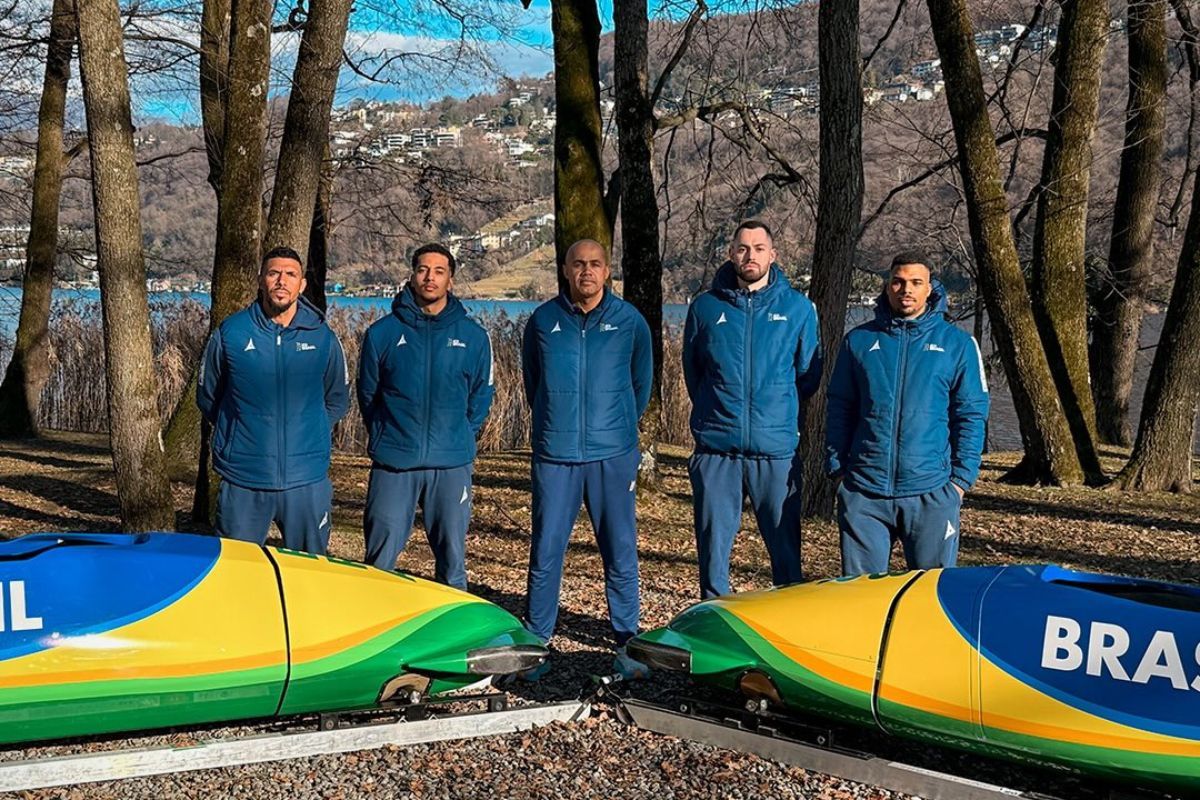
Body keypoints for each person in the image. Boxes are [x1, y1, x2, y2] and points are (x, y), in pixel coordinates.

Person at [520, 239, 653, 680]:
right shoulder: (543, 321)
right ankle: (537, 641)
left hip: (611, 455)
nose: (587, 272)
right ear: (565, 269)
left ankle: (627, 640)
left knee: (619, 549)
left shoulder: (629, 322)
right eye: (579, 264)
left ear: (608, 270)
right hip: (555, 455)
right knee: (546, 550)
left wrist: (615, 428)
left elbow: (641, 383)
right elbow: (532, 381)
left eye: (595, 264)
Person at [682, 220, 822, 600]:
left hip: (774, 452)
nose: (750, 256)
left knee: (786, 557)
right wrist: (717, 410)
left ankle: (789, 631)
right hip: (717, 452)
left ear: (773, 255)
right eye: (743, 248)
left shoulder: (797, 309)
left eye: (759, 248)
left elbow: (808, 375)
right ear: (731, 253)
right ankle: (715, 629)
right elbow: (693, 371)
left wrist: (775, 408)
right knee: (713, 556)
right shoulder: (706, 308)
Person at [826, 252, 990, 576]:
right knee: (861, 601)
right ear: (888, 286)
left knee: (931, 600)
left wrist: (959, 481)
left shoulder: (957, 344)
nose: (906, 290)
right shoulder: (858, 341)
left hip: (931, 493)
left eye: (916, 282)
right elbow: (839, 408)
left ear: (930, 288)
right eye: (899, 282)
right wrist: (839, 470)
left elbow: (971, 414)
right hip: (865, 493)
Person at [357, 243, 494, 589]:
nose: (429, 277)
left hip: (450, 465)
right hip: (394, 464)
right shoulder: (382, 334)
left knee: (452, 562)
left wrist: (461, 432)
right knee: (379, 563)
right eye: (422, 270)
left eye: (439, 271)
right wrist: (389, 433)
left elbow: (481, 395)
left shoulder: (474, 337)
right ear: (412, 275)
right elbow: (368, 395)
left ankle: (452, 636)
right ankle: (375, 631)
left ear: (450, 279)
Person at [198, 245, 349, 554]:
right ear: (261, 280)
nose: (282, 281)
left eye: (290, 274)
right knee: (237, 577)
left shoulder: (322, 337)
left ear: (302, 284)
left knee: (309, 576)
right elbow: (208, 395)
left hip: (306, 480)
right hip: (244, 478)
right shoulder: (232, 333)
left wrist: (309, 429)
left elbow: (337, 399)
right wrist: (241, 430)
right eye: (274, 273)